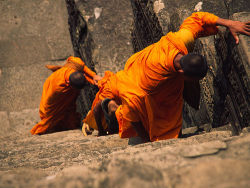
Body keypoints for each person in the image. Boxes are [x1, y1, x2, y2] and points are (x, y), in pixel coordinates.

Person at [82, 12, 250, 141]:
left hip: (156, 73)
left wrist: (230, 23)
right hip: (136, 80)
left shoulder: (181, 41)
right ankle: (111, 107)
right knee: (154, 128)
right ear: (182, 74)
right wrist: (147, 140)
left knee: (168, 123)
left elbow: (197, 18)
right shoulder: (149, 84)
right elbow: (132, 112)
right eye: (194, 80)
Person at [30, 56, 102, 135]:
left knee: (71, 119)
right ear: (68, 83)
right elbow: (52, 105)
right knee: (52, 117)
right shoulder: (57, 88)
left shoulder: (74, 66)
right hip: (51, 92)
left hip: (65, 86)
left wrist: (93, 76)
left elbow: (81, 66)